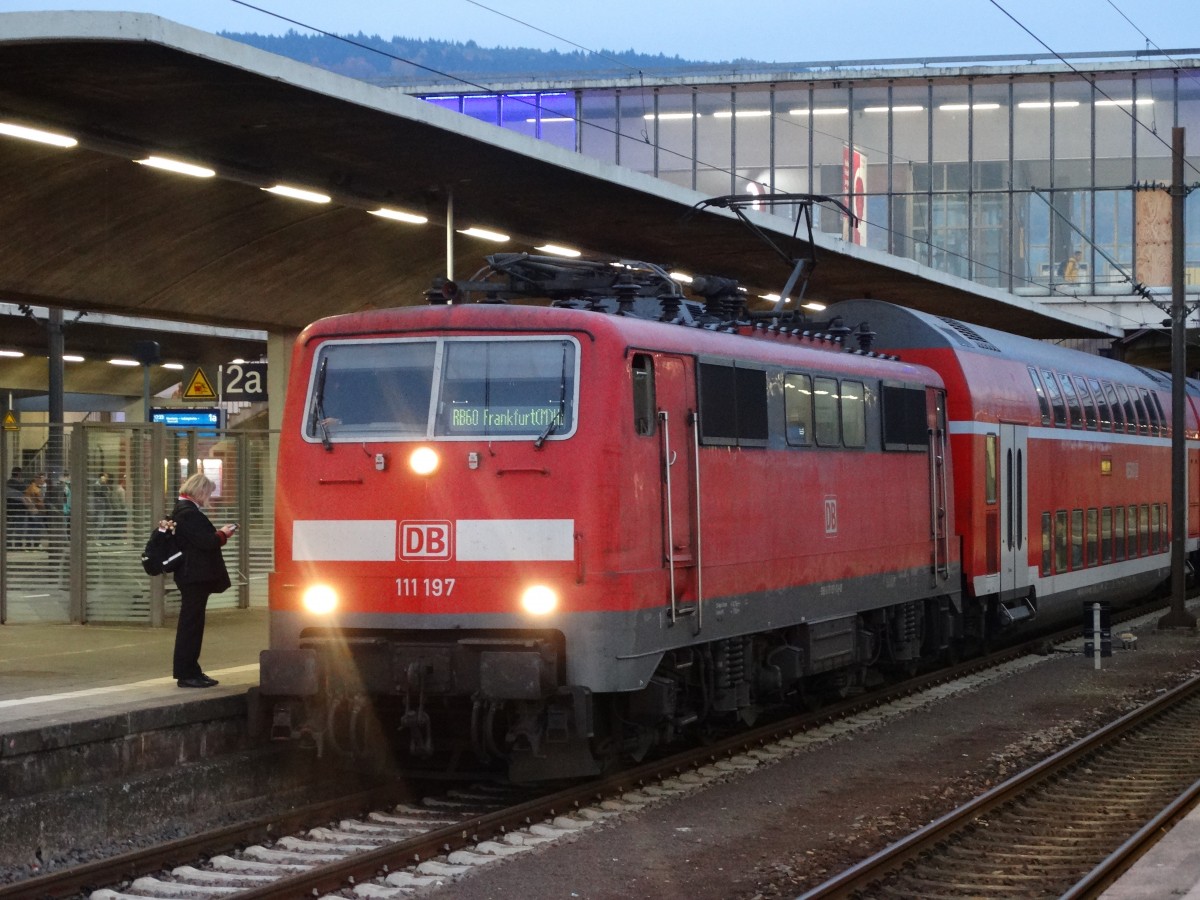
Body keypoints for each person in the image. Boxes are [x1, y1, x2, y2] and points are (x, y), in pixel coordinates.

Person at [170, 472, 235, 688]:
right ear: (199, 491)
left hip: (191, 575)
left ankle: (191, 670)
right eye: (207, 493)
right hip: (194, 576)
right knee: (191, 626)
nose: (208, 497)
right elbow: (205, 542)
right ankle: (187, 673)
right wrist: (223, 534)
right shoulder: (188, 513)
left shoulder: (183, 511)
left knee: (192, 624)